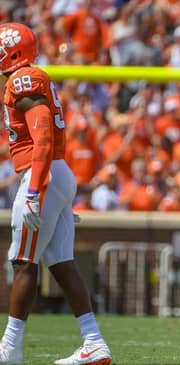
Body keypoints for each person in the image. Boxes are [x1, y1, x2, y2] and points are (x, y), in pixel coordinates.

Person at [0, 23, 112, 364]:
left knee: (23, 261)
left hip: (44, 174)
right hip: (56, 174)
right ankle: (94, 342)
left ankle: (10, 348)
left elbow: (44, 136)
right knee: (60, 263)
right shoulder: (28, 78)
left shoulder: (23, 80)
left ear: (13, 51)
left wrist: (35, 191)